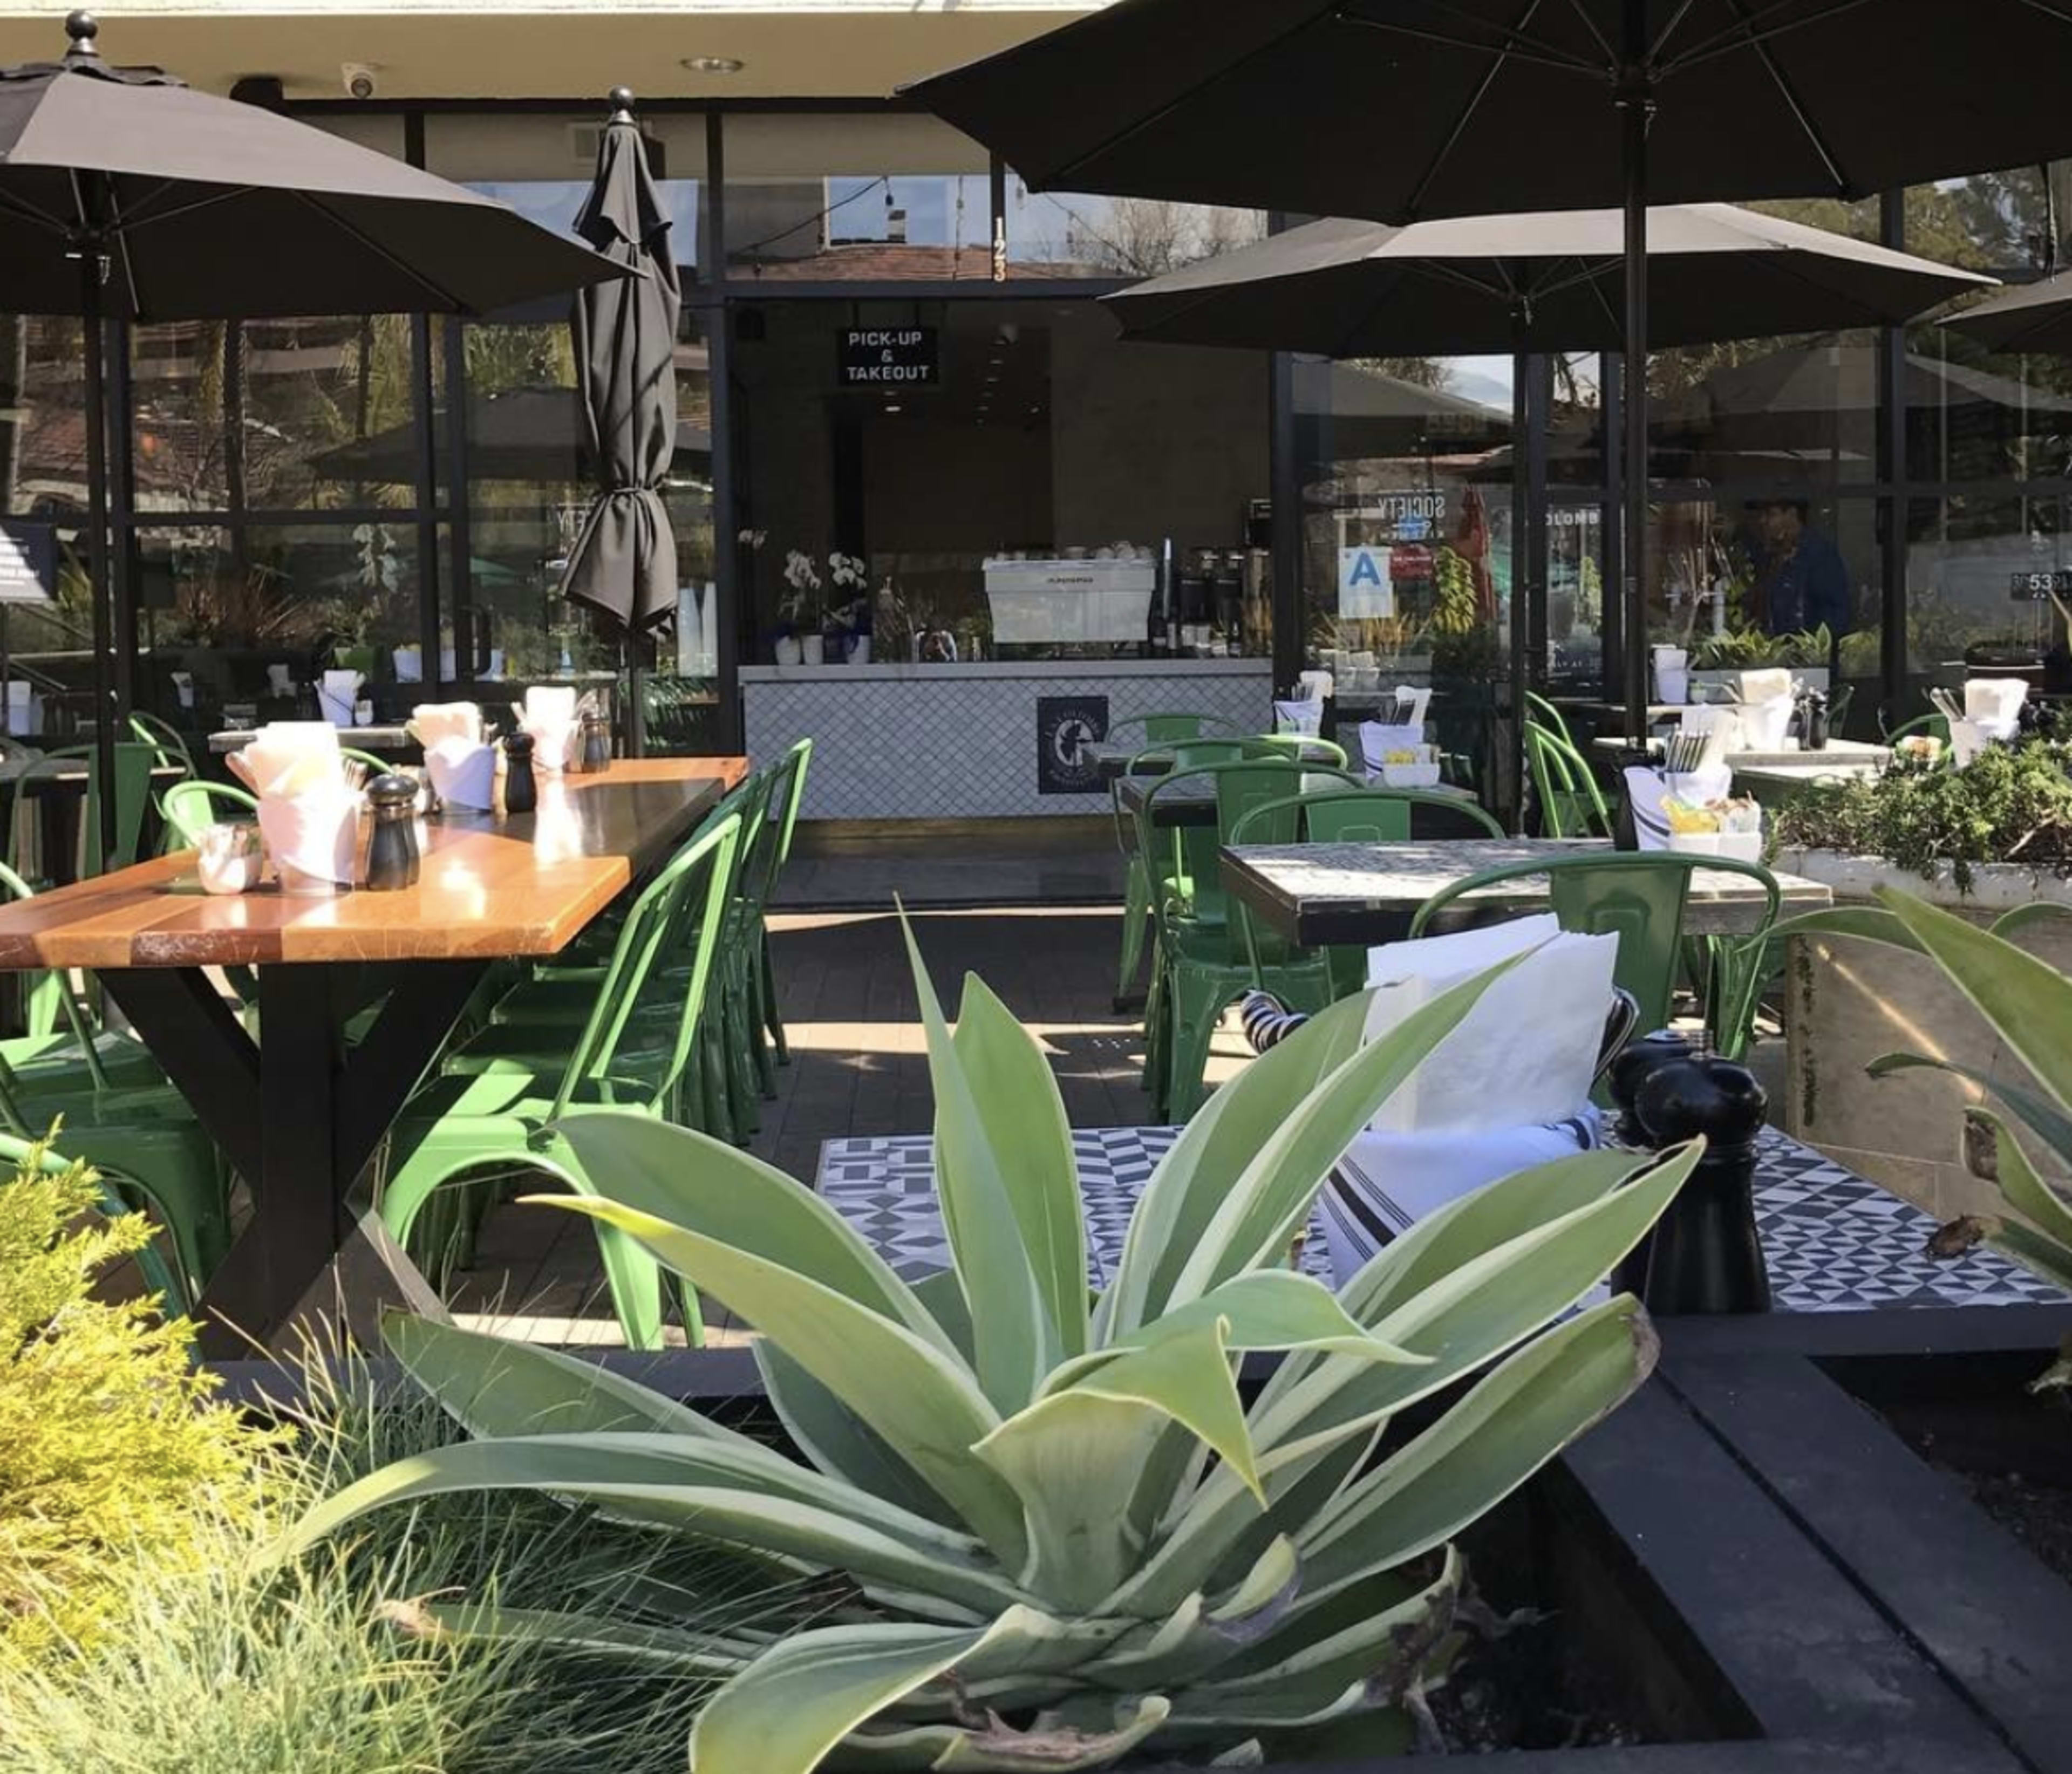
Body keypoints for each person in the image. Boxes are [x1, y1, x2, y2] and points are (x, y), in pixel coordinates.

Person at [1749, 500, 1850, 637]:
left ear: (1791, 515)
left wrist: (1811, 650)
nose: (1763, 521)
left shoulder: (1819, 555)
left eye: (1771, 514)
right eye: (1762, 515)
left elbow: (1836, 615)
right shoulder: (1768, 556)